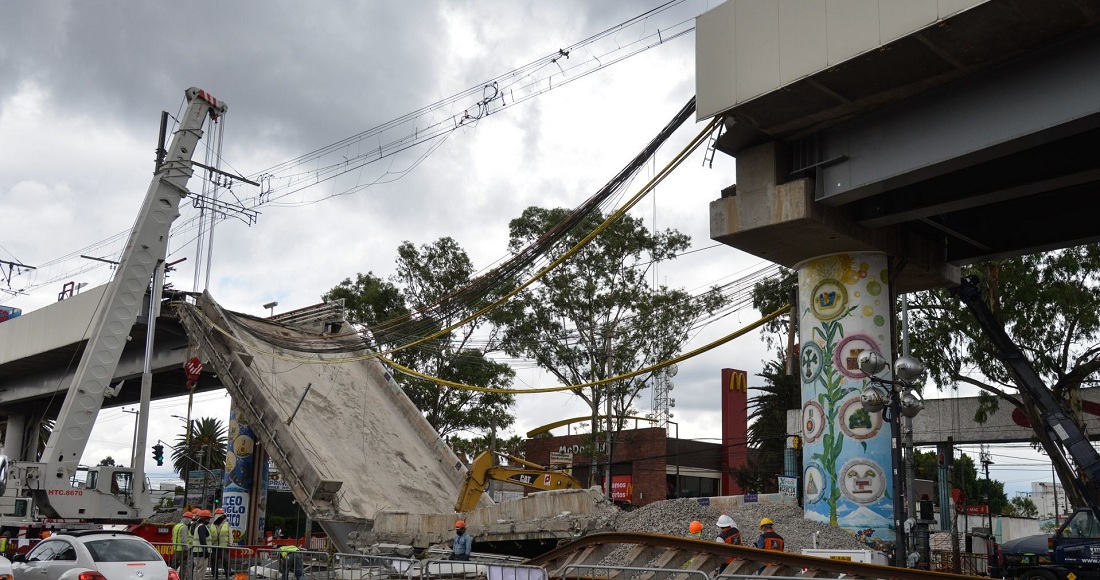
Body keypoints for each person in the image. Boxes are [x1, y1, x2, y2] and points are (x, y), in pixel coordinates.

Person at [210, 508, 232, 580]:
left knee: (226, 562)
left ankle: (228, 575)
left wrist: (230, 544)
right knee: (214, 562)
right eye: (221, 516)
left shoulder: (226, 525)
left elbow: (230, 535)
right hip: (214, 547)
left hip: (224, 547)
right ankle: (214, 576)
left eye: (223, 516)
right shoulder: (212, 525)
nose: (222, 517)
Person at [190, 510, 212, 580]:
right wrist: (206, 551)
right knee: (201, 570)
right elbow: (202, 540)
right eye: (208, 518)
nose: (209, 520)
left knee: (197, 569)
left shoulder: (199, 526)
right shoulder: (202, 527)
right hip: (201, 552)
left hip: (198, 551)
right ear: (204, 518)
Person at [173, 511, 194, 577]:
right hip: (182, 550)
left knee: (173, 567)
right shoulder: (184, 527)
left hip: (176, 549)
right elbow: (183, 541)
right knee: (183, 568)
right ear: (187, 519)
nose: (190, 522)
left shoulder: (176, 526)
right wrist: (187, 549)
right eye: (190, 519)